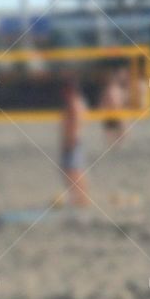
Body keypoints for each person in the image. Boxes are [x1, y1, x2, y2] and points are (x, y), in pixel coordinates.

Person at [59, 75, 90, 207]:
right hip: (72, 139)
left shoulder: (74, 102)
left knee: (74, 170)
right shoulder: (76, 101)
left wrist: (70, 140)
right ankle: (79, 197)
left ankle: (82, 198)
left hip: (73, 140)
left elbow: (76, 123)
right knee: (71, 170)